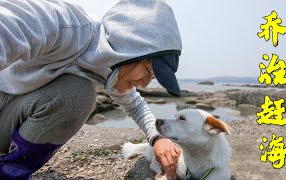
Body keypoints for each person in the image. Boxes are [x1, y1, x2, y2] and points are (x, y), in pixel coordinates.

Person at [0, 0, 182, 179]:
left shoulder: (110, 71)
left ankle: (9, 173)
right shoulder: (67, 26)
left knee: (77, 94)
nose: (145, 84)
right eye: (149, 71)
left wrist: (159, 138)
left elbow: (136, 106)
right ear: (131, 48)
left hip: (8, 118)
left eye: (154, 78)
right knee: (78, 93)